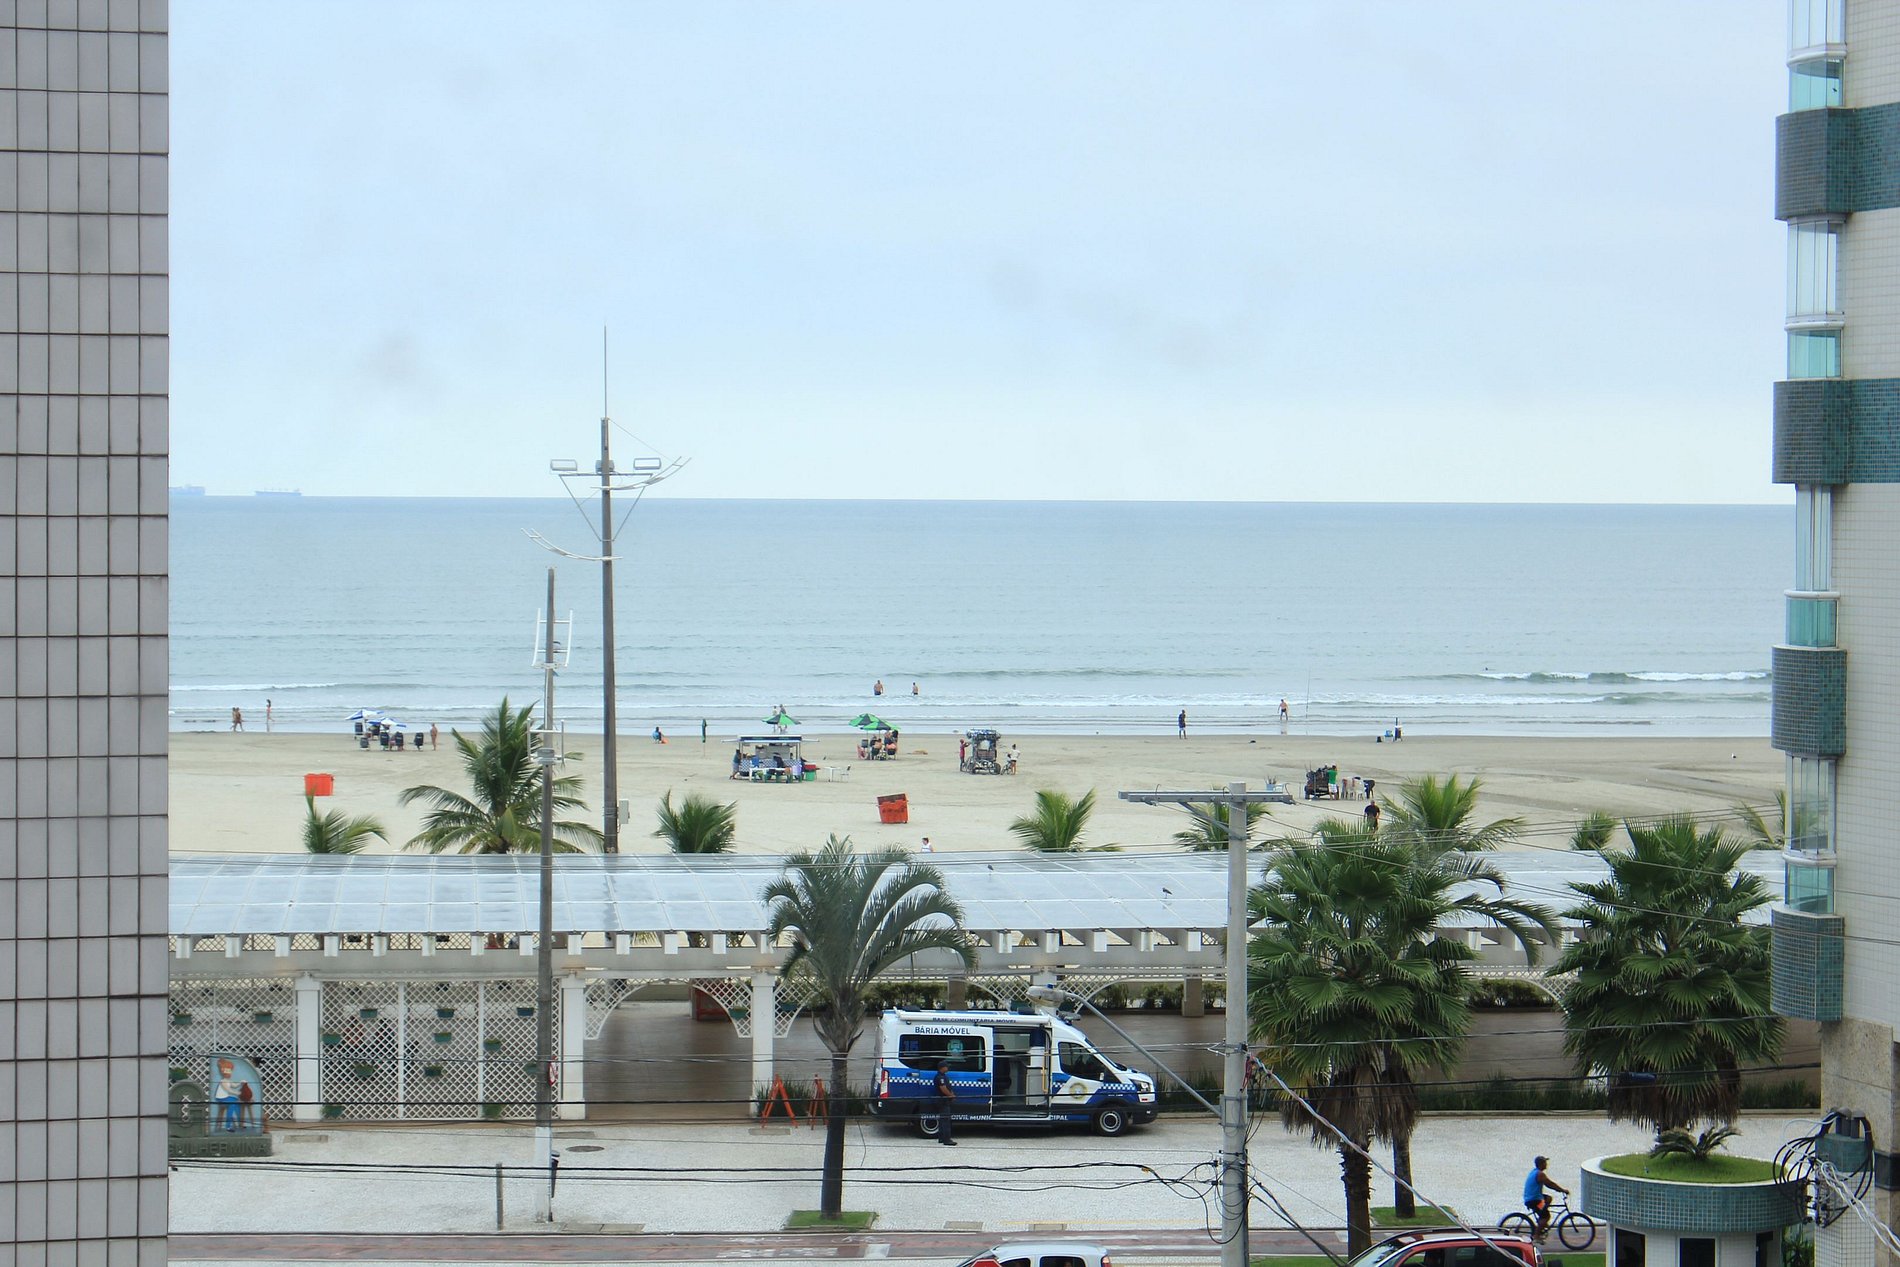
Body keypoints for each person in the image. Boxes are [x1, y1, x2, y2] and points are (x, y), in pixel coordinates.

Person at [1523, 1155, 1570, 1240]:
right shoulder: (1540, 1174)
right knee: (1546, 1217)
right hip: (1534, 1199)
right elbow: (1550, 1184)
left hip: (1533, 1198)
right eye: (1545, 1162)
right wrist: (1562, 1190)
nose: (1547, 1164)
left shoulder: (1534, 1171)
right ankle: (1536, 1235)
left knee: (1548, 1198)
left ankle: (1542, 1221)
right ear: (1541, 1164)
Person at [212, 1059, 241, 1132]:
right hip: (221, 1098)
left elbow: (234, 1085)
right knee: (232, 1104)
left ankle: (240, 1121)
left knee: (236, 1101)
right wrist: (237, 1093)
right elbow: (229, 1090)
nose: (230, 1072)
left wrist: (241, 1083)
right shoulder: (223, 1081)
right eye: (229, 1070)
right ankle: (228, 1126)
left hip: (226, 1097)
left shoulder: (229, 1080)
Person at [934, 1060, 957, 1145]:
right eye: (946, 1066)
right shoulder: (940, 1077)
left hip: (943, 1100)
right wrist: (951, 1096)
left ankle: (941, 1138)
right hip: (943, 1100)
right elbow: (943, 1089)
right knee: (946, 1120)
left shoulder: (942, 1076)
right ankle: (947, 1140)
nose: (948, 1068)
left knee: (942, 1119)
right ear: (942, 1068)